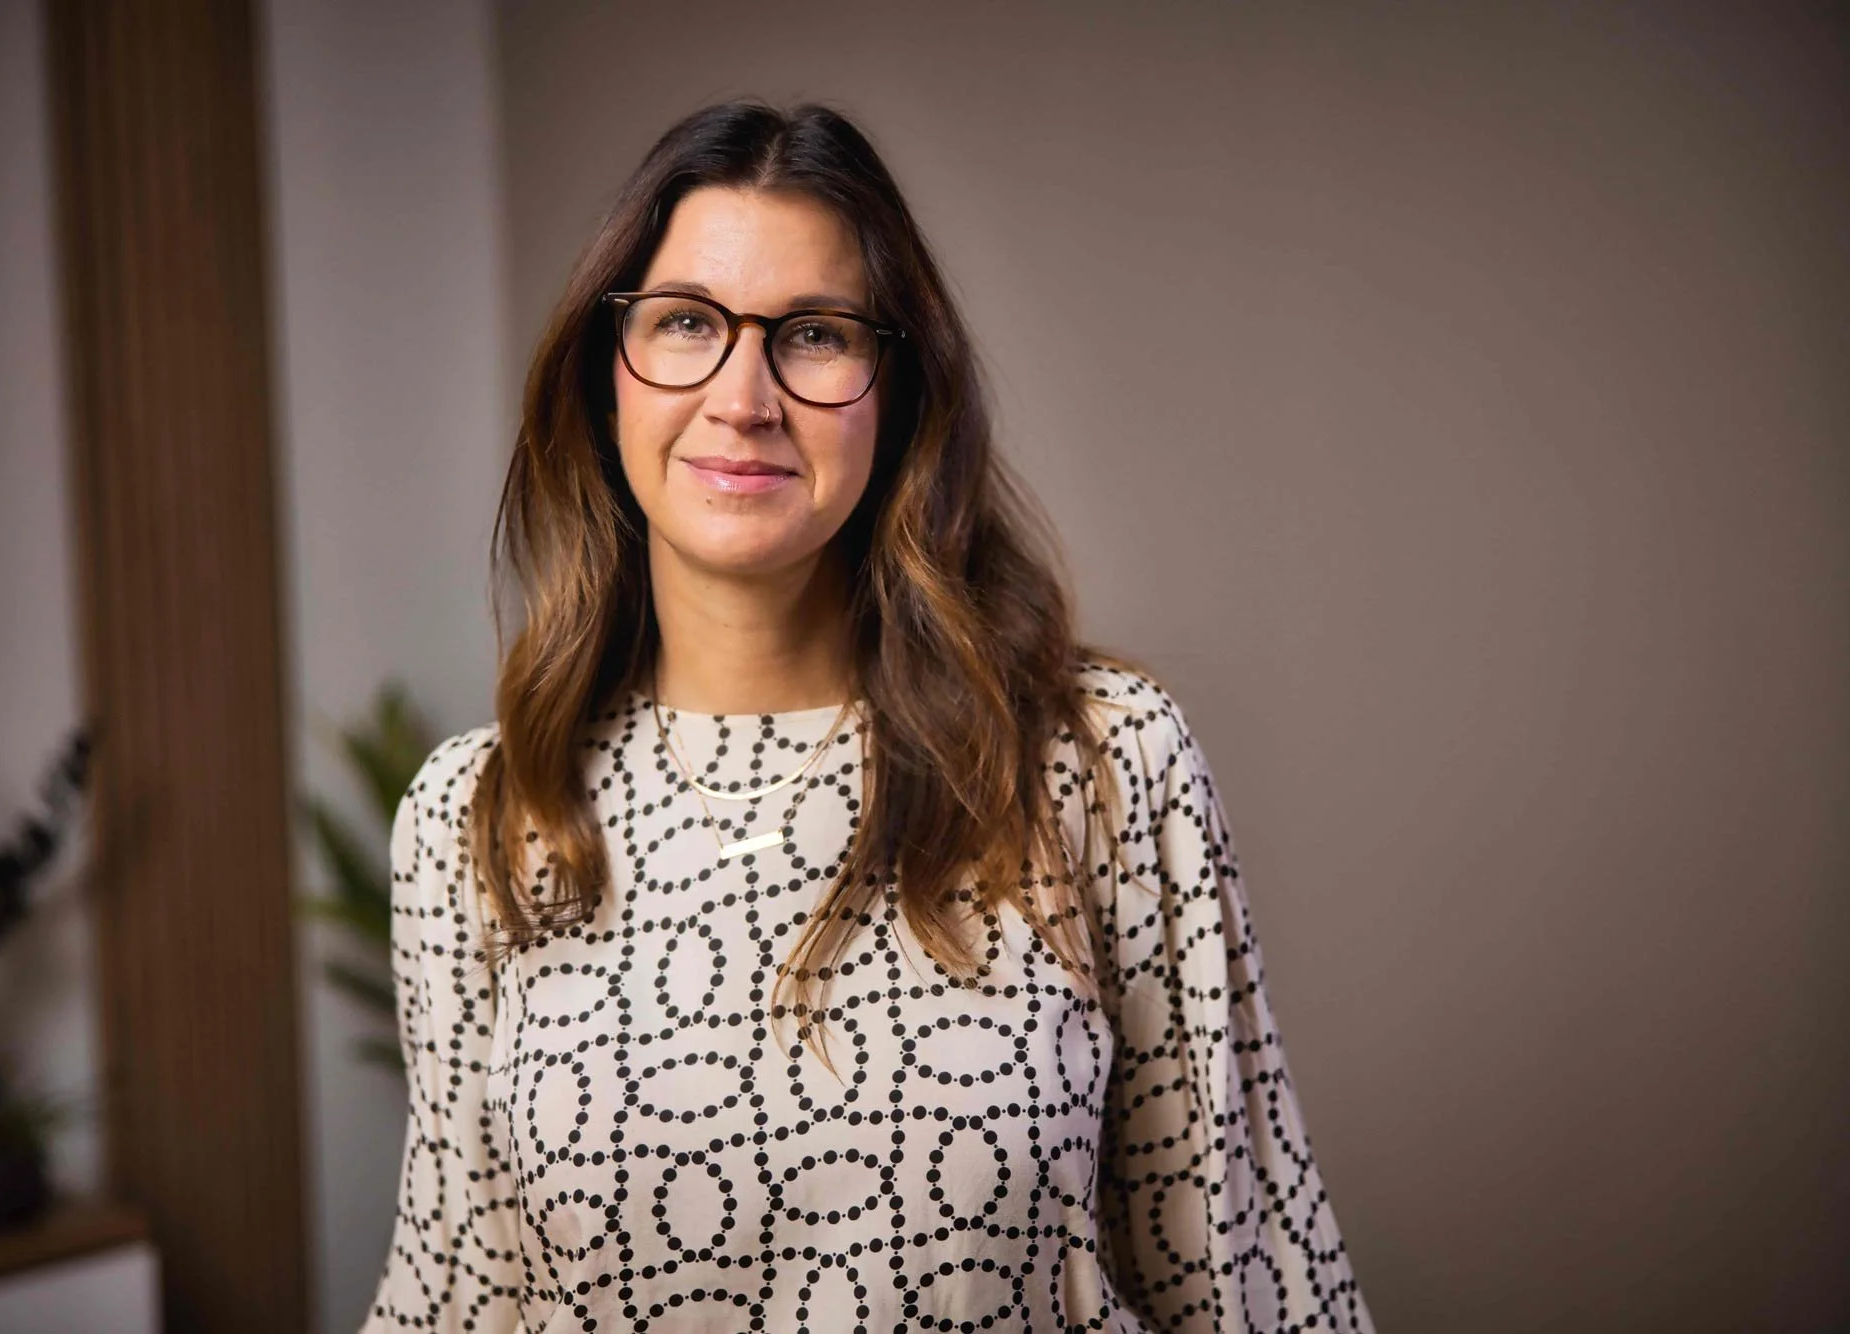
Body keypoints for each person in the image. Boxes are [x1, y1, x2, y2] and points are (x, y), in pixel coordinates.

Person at [360, 99, 1373, 1333]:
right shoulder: (480, 818)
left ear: (896, 390)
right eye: (685, 322)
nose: (743, 396)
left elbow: (1250, 1279)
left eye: (816, 334)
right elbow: (458, 1298)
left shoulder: (1097, 764)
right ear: (604, 374)